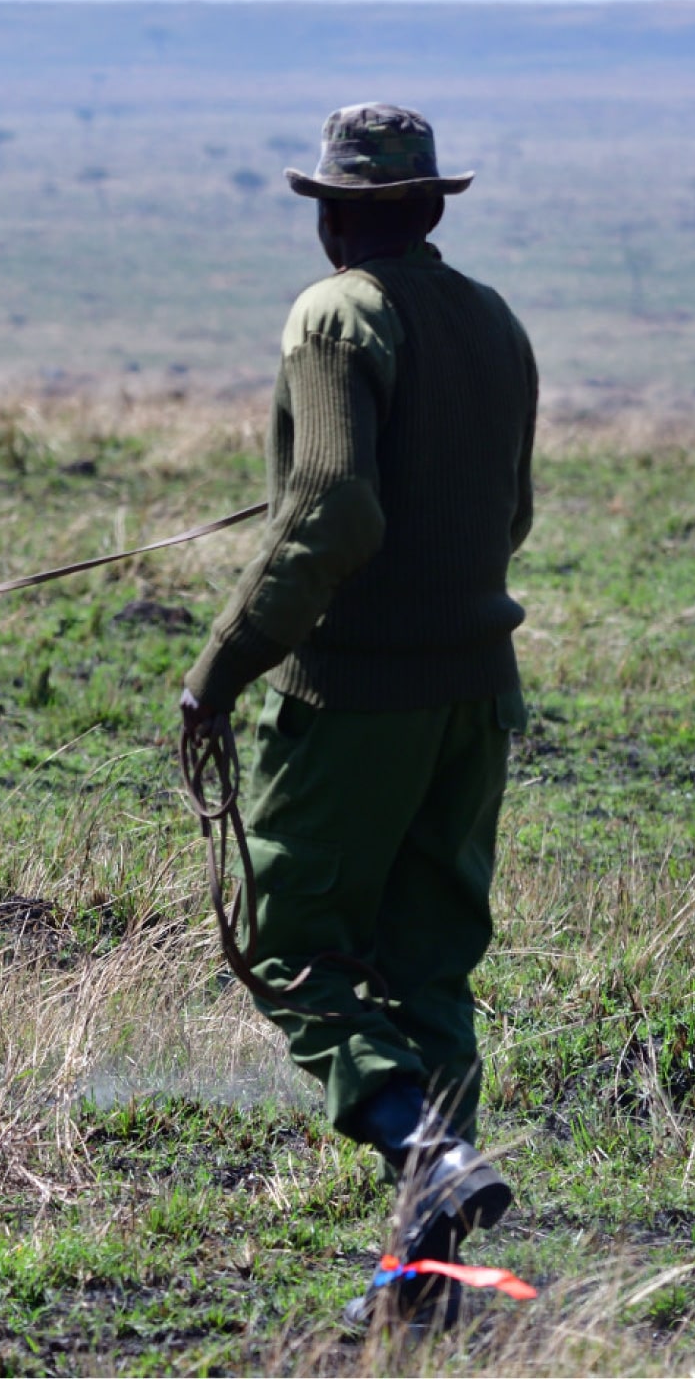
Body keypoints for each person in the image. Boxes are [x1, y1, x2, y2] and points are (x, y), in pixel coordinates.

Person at [178, 103, 537, 1328]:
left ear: (333, 215)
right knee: (430, 966)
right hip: (476, 694)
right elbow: (508, 513)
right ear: (430, 208)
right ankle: (422, 1284)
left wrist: (224, 665)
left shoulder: (331, 315)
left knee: (289, 947)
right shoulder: (491, 321)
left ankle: (423, 1153)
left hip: (358, 696)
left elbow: (333, 503)